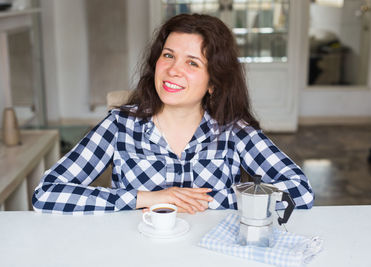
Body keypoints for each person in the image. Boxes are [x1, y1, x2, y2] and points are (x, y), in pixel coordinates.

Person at [32, 14, 314, 214]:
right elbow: (47, 193)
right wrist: (149, 199)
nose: (173, 70)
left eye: (192, 63)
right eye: (168, 56)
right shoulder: (120, 125)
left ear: (213, 82)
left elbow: (300, 191)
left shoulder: (233, 130)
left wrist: (207, 201)